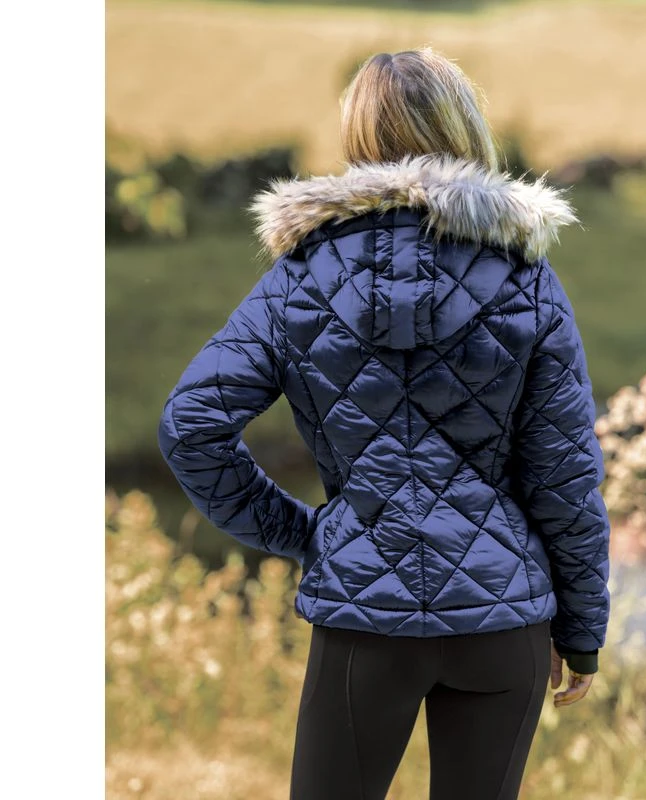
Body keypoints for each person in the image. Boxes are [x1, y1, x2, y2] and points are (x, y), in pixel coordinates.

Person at [157, 47, 610, 800]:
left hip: (364, 619)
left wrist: (306, 534)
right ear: (463, 127)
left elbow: (190, 424)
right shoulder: (526, 279)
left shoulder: (300, 277)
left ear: (359, 135)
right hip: (503, 624)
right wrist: (583, 629)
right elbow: (564, 477)